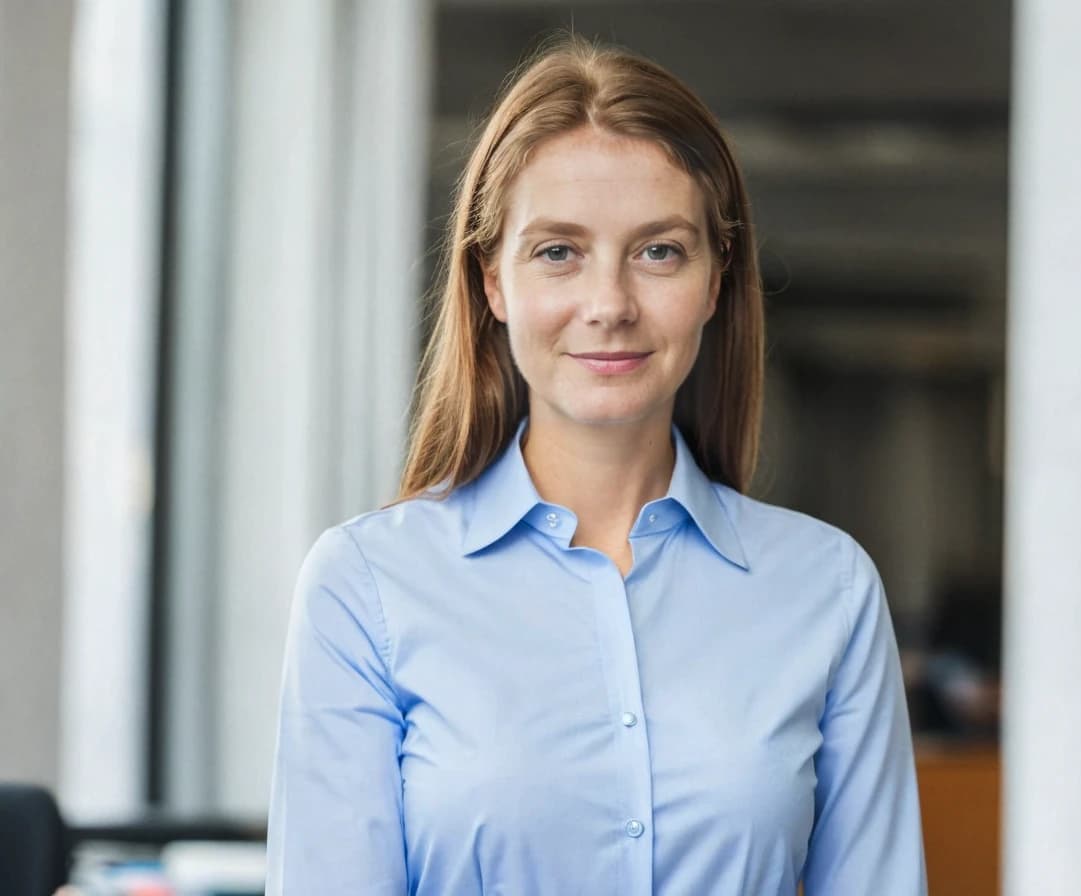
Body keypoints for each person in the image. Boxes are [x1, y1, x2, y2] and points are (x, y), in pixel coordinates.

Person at [266, 35, 927, 896]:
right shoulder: (366, 588)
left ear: (716, 281)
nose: (610, 304)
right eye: (558, 252)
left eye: (659, 251)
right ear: (492, 282)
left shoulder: (827, 590)